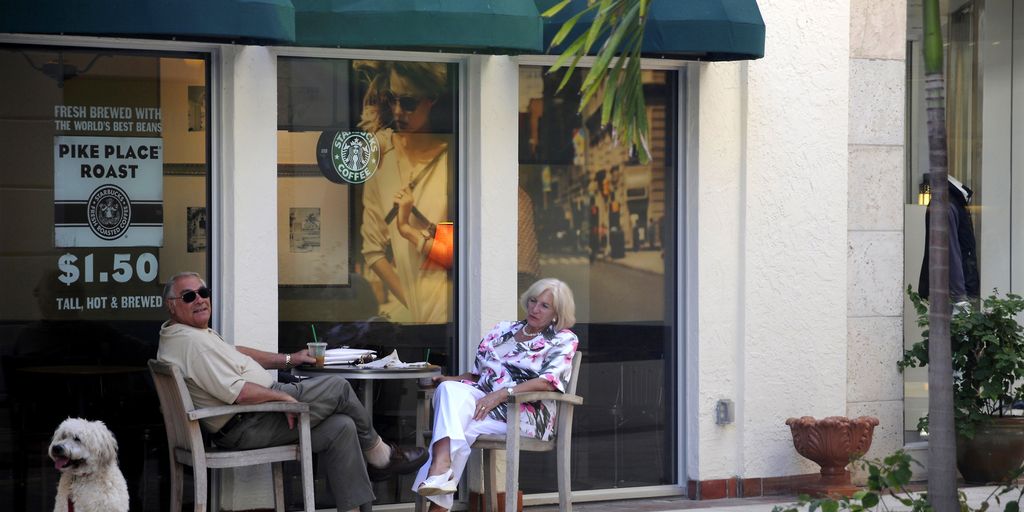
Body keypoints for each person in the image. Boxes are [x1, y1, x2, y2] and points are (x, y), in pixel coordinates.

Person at [156, 271, 428, 512]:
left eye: (203, 293)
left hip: (252, 417)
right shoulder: (192, 344)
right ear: (172, 306)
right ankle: (380, 456)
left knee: (342, 426)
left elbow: (235, 353)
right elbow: (240, 392)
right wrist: (284, 398)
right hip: (250, 420)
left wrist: (289, 359)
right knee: (339, 387)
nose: (200, 300)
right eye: (189, 296)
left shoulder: (183, 335)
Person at [411, 278, 579, 512]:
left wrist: (502, 394)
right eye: (533, 301)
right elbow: (479, 375)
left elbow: (548, 382)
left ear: (556, 313)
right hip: (485, 405)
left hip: (526, 412)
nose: (535, 309)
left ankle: (438, 484)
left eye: (544, 306)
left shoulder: (563, 339)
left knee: (459, 428)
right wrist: (452, 380)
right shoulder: (503, 330)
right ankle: (440, 471)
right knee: (448, 392)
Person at [359, 61, 452, 323]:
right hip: (410, 315)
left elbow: (454, 253)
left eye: (409, 102)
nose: (398, 111)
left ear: (431, 99)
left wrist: (408, 230)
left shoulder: (451, 160)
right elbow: (373, 250)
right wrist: (412, 303)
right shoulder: (382, 155)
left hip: (450, 311)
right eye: (392, 100)